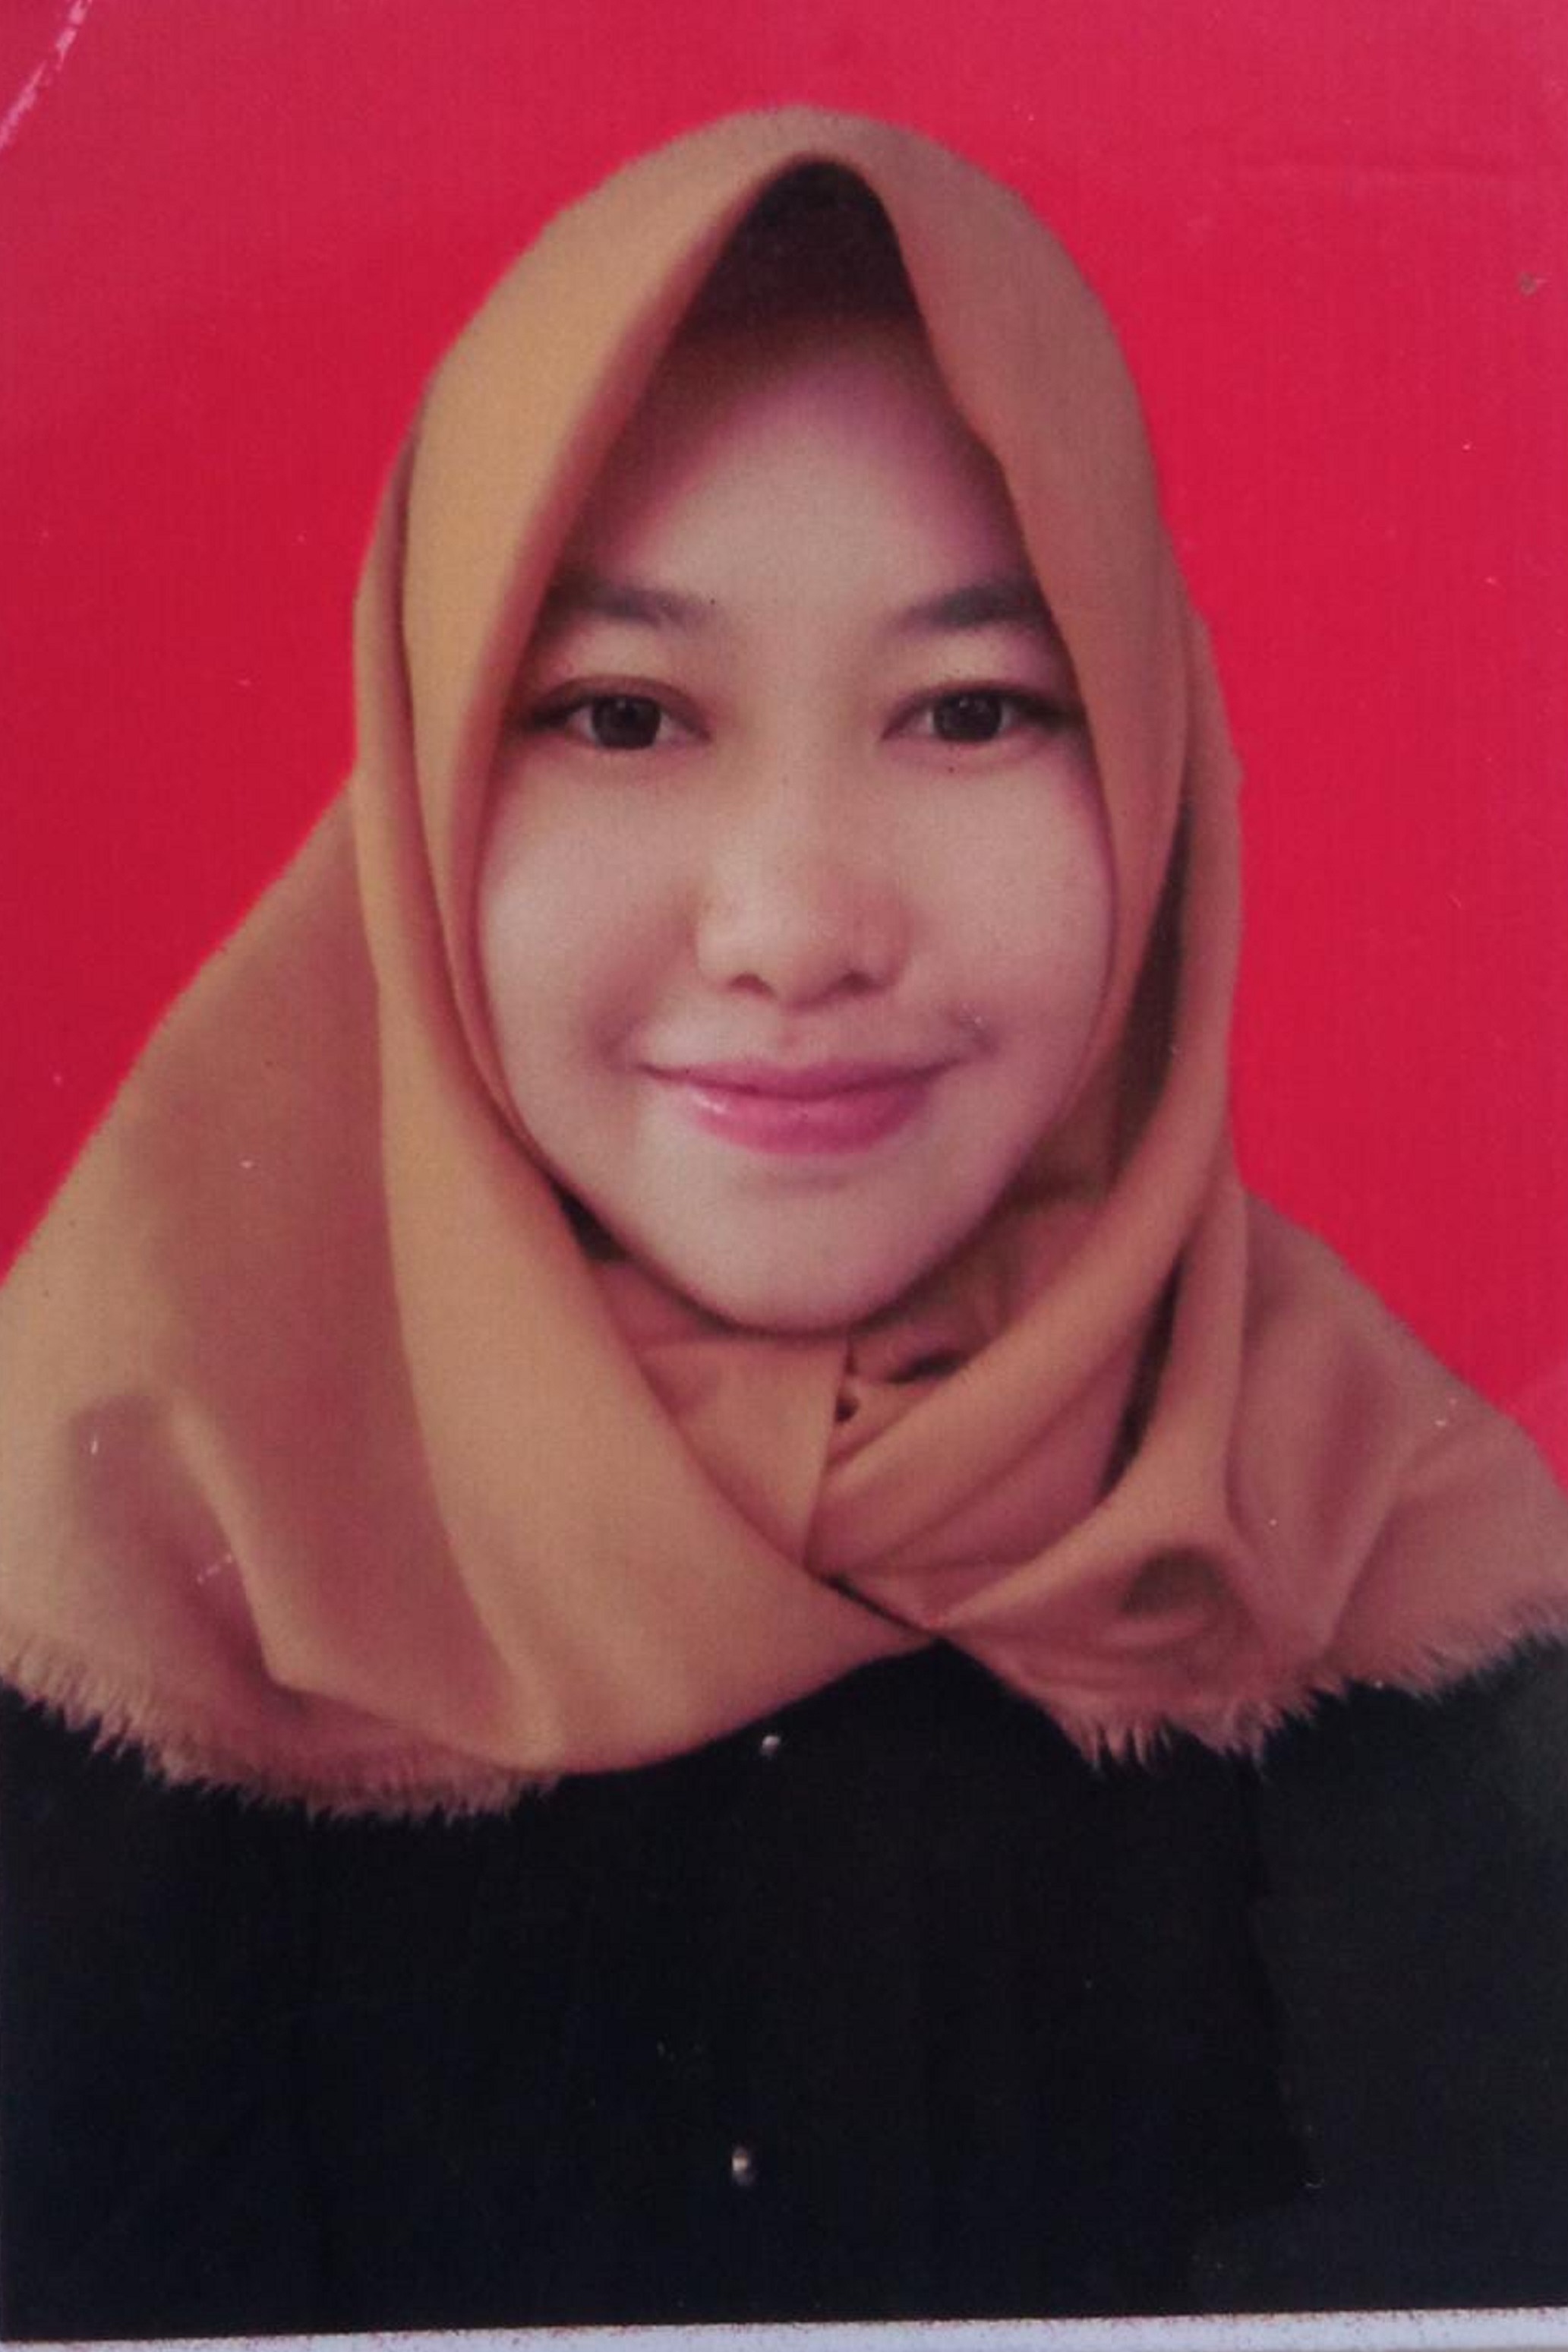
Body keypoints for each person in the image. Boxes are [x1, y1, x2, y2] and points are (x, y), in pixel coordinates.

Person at [2, 107, 1567, 2339]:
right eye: (621, 714)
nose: (795, 927)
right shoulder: (113, 1580)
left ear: (1152, 760)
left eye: (971, 710)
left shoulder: (1412, 1592)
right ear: (424, 779)